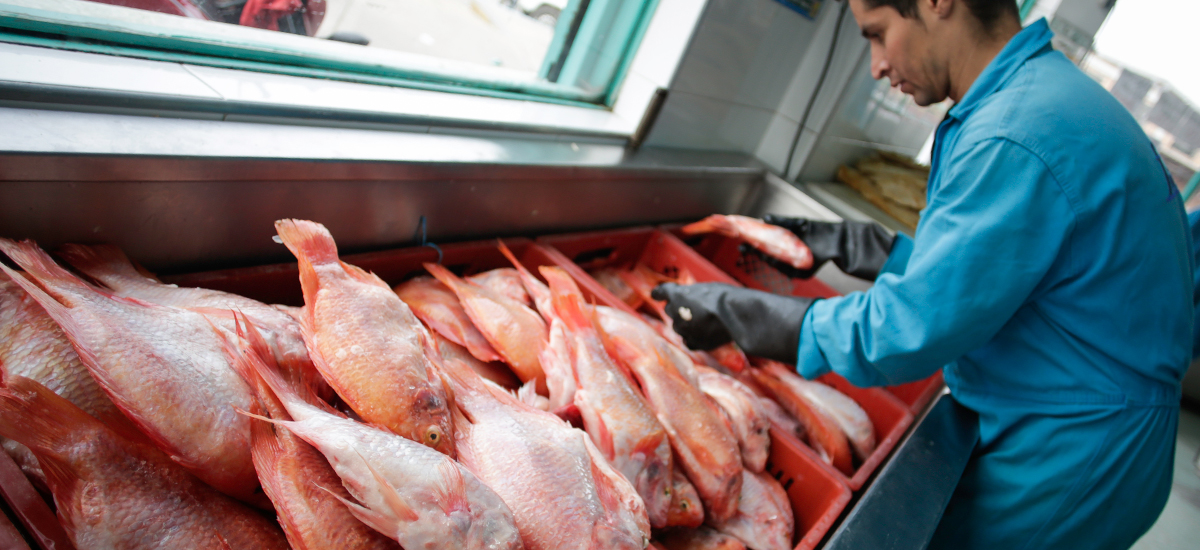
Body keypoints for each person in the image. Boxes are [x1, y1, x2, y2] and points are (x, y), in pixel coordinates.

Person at [651, 0, 1193, 548]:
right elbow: (994, 278)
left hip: (1071, 455)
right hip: (1085, 424)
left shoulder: (1016, 134)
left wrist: (748, 317)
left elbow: (906, 332)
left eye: (878, 34)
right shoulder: (1040, 98)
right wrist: (863, 247)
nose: (877, 65)